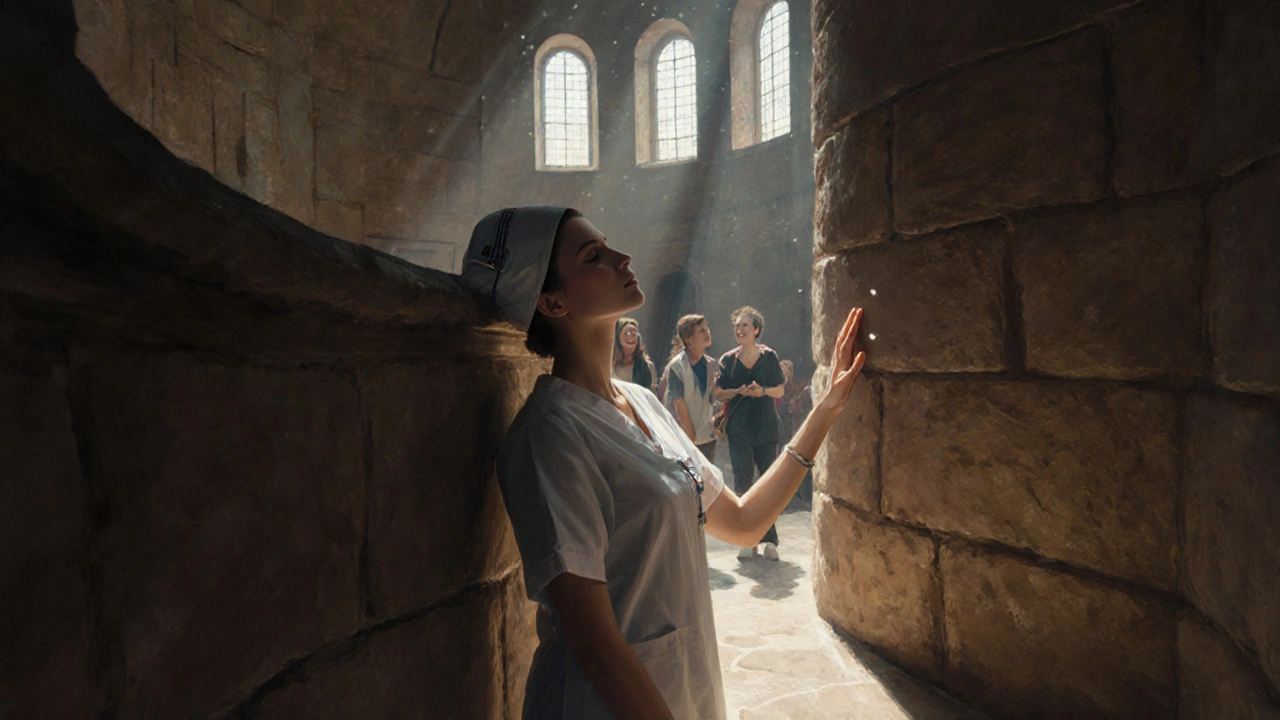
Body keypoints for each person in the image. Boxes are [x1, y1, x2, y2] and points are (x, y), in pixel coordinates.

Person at [459, 206, 866, 719]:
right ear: (551, 300)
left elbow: (742, 522)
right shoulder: (549, 434)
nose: (622, 256)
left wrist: (825, 408)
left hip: (682, 689)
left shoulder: (642, 403)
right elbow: (595, 647)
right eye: (594, 256)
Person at [714, 307, 786, 562]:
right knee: (743, 483)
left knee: (768, 484)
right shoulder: (727, 360)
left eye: (745, 325)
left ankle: (770, 540)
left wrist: (762, 391)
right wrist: (738, 391)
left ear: (756, 329)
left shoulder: (769, 357)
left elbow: (780, 391)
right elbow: (718, 393)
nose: (739, 330)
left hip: (766, 427)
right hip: (739, 428)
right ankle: (747, 539)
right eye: (737, 326)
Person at [663, 314, 718, 462]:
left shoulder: (712, 365)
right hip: (686, 438)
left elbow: (712, 398)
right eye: (701, 331)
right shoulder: (677, 367)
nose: (707, 333)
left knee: (706, 482)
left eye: (707, 329)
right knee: (691, 480)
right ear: (689, 339)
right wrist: (689, 437)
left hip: (707, 438)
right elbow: (677, 401)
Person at [611, 317, 656, 392]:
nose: (631, 337)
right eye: (627, 333)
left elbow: (650, 396)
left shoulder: (647, 367)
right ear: (617, 338)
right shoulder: (607, 366)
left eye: (634, 334)